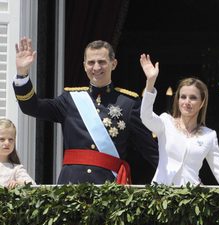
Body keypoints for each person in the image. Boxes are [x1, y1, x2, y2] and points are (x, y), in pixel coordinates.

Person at [12, 37, 159, 185]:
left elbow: (151, 150)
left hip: (109, 188)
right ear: (84, 66)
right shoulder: (69, 100)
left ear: (113, 64)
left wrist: (176, 185)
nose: (96, 68)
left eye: (102, 62)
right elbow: (31, 107)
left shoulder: (128, 104)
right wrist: (22, 74)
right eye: (91, 62)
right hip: (71, 187)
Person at [139, 53, 219, 186]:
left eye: (193, 98)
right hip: (161, 196)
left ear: (202, 103)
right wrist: (150, 82)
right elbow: (145, 116)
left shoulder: (209, 135)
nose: (187, 102)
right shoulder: (166, 122)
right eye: (183, 97)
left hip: (191, 199)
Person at [0, 118, 36, 188]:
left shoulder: (16, 169)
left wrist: (18, 183)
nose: (7, 143)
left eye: (10, 139)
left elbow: (32, 185)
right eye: (2, 139)